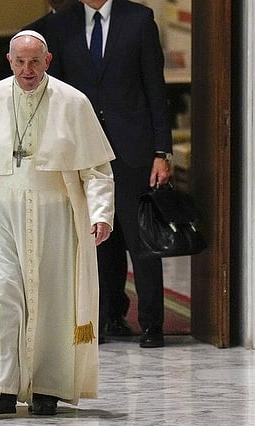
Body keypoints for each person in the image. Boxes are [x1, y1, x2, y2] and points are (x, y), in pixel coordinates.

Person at [0, 30, 115, 416]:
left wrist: (100, 213)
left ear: (48, 61)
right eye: (20, 62)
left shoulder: (73, 102)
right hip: (1, 213)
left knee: (52, 300)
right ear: (9, 61)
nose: (27, 70)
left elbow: (96, 169)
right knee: (1, 297)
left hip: (57, 213)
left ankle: (47, 387)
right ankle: (0, 388)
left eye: (35, 62)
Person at [42, 0, 173, 347]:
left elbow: (155, 88)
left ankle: (152, 325)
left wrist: (162, 151)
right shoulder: (61, 24)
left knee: (140, 241)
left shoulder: (139, 19)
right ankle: (104, 319)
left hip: (133, 151)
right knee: (97, 241)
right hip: (83, 150)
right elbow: (55, 91)